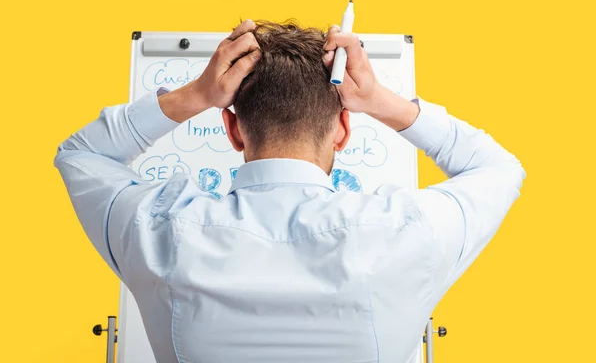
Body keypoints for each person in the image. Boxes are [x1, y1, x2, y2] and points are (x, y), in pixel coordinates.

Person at [55, 19, 525, 363]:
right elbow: (498, 167)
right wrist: (381, 101)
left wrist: (195, 94)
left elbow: (80, 155)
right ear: (343, 128)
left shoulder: (160, 227)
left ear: (232, 130)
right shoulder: (406, 230)